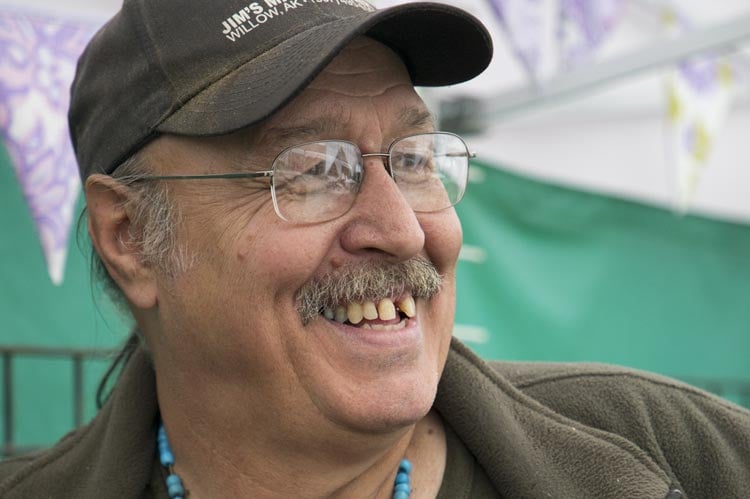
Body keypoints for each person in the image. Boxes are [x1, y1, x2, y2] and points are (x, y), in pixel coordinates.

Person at [1, 0, 749, 497]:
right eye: (313, 169)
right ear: (129, 237)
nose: (401, 229)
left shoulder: (683, 452)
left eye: (415, 157)